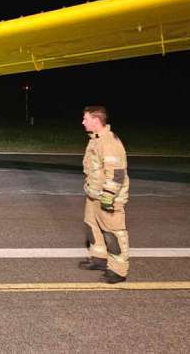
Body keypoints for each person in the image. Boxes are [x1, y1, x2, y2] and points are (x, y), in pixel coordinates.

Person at [78, 106, 130, 283]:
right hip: (94, 194)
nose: (83, 122)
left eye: (85, 119)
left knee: (113, 234)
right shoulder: (95, 139)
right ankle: (99, 259)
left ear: (96, 120)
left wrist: (108, 197)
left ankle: (118, 270)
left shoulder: (108, 142)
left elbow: (116, 173)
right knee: (91, 227)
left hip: (107, 197)